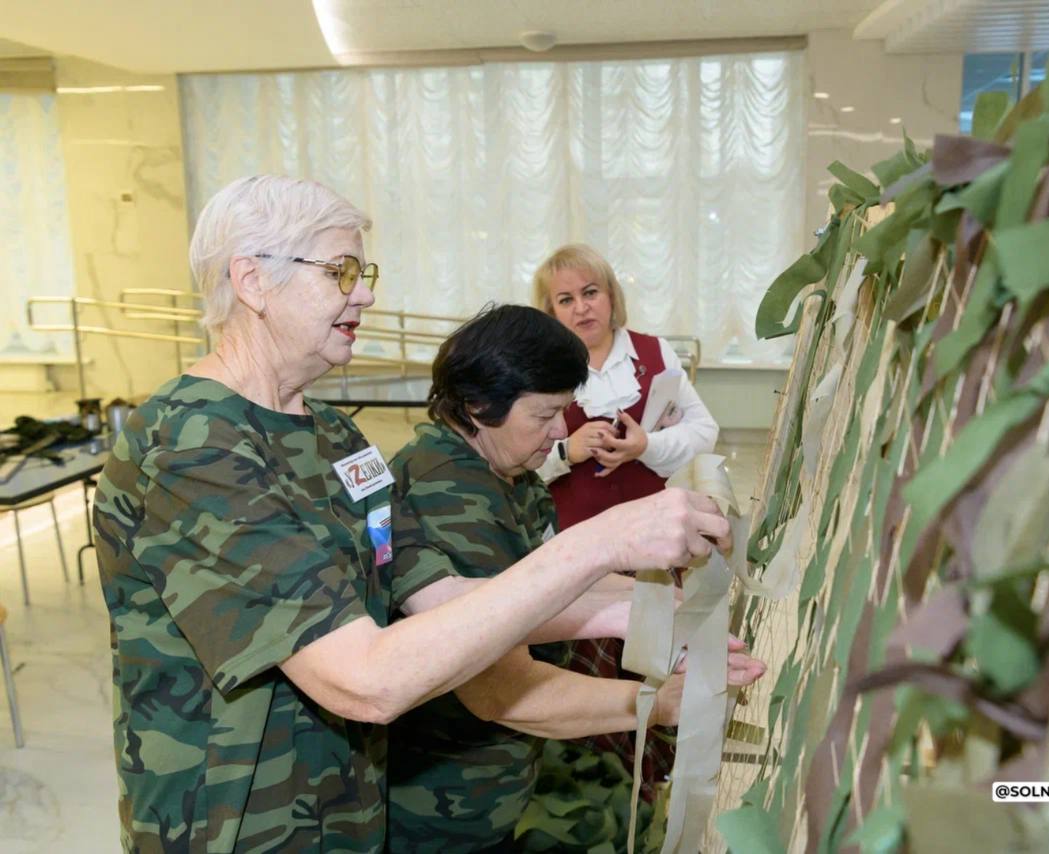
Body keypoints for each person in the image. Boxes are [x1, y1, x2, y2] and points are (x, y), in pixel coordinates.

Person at [92, 176, 731, 852]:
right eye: (341, 271)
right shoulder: (192, 446)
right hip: (237, 831)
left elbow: (444, 595)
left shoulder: (336, 437)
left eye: (362, 273)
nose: (364, 294)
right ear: (252, 281)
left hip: (348, 820)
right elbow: (363, 680)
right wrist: (599, 543)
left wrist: (652, 610)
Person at [384, 304, 764, 852]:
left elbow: (555, 582)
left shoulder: (503, 470)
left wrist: (672, 613)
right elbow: (501, 691)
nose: (562, 431)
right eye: (544, 415)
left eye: (564, 410)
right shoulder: (448, 496)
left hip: (493, 783)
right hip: (443, 808)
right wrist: (654, 705)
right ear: (478, 406)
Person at [531, 243, 720, 798]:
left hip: (655, 545)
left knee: (657, 659)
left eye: (591, 292)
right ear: (550, 310)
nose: (582, 307)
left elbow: (704, 432)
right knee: (592, 669)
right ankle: (603, 787)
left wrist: (646, 446)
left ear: (612, 296)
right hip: (579, 551)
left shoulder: (653, 354)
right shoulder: (539, 368)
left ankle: (659, 780)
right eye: (565, 299)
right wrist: (565, 451)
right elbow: (511, 462)